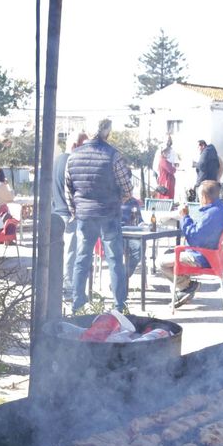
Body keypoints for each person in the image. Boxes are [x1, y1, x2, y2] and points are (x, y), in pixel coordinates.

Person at [65, 118, 132, 311]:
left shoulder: (73, 156)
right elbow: (126, 186)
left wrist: (75, 211)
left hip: (85, 215)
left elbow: (68, 189)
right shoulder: (113, 155)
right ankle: (119, 305)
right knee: (114, 260)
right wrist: (121, 200)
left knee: (82, 258)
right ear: (106, 133)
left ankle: (78, 303)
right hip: (109, 213)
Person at [158, 180, 223, 304]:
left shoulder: (211, 214)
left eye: (199, 196)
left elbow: (193, 238)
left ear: (203, 197)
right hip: (214, 255)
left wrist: (184, 217)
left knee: (161, 262)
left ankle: (187, 286)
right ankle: (184, 290)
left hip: (203, 258)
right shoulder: (221, 209)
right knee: (169, 253)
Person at [50, 133, 83, 304]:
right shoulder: (71, 162)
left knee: (58, 253)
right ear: (76, 146)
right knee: (70, 253)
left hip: (56, 213)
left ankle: (58, 286)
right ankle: (68, 288)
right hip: (69, 215)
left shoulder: (56, 161)